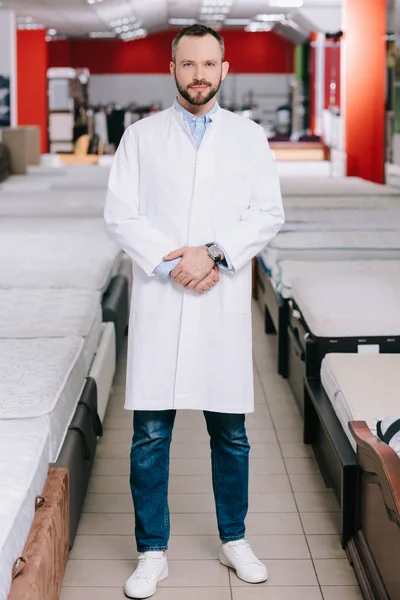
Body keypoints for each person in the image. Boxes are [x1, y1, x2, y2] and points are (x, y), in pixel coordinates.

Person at [104, 24, 285, 600]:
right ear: (173, 68)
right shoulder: (140, 136)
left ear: (225, 69)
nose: (199, 75)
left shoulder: (249, 137)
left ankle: (234, 538)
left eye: (210, 64)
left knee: (230, 434)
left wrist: (211, 254)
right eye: (188, 65)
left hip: (218, 296)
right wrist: (171, 265)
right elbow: (121, 215)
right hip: (164, 297)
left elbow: (267, 213)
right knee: (150, 435)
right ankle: (151, 551)